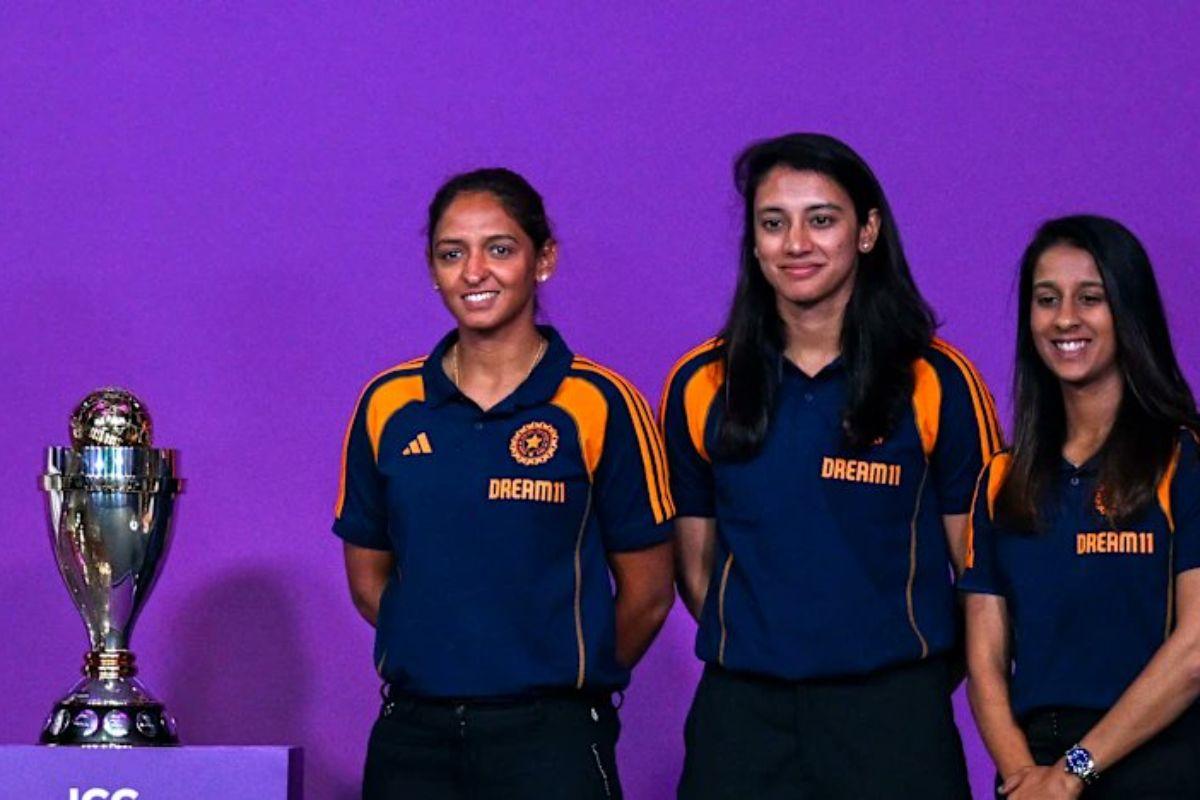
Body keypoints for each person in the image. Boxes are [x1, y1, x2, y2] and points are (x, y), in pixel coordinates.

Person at [661, 132, 1000, 799]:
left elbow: (981, 569)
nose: (796, 244)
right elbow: (695, 569)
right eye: (773, 223)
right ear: (754, 242)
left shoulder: (937, 380)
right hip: (743, 718)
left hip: (893, 716)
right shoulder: (702, 382)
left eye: (821, 219)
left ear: (867, 231)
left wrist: (908, 683)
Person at [333, 167, 676, 799]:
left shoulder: (601, 402)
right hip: (414, 737)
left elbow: (650, 593)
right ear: (432, 270)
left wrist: (563, 681)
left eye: (499, 249)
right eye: (451, 254)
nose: (474, 272)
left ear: (543, 260)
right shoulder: (388, 403)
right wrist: (443, 647)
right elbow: (367, 581)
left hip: (552, 740)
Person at [961, 215, 1200, 799]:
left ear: (1129, 310)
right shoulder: (1001, 479)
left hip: (1158, 759)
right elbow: (985, 661)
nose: (1065, 318)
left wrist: (1075, 771)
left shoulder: (1184, 460)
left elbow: (1196, 649)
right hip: (1035, 773)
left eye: (1090, 298)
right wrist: (1024, 777)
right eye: (1047, 300)